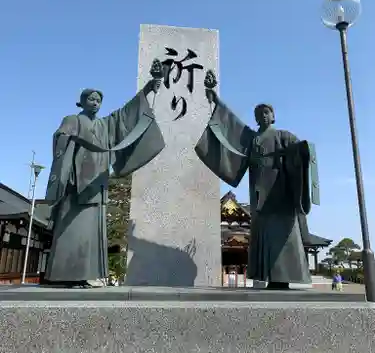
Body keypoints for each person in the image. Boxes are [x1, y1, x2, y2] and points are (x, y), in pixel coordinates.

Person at [44, 78, 165, 288]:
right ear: (81, 102)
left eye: (98, 99)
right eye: (90, 98)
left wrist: (145, 92)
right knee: (73, 228)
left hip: (97, 183)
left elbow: (125, 115)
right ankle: (63, 275)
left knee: (90, 232)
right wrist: (68, 165)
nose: (95, 102)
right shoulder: (73, 120)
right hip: (77, 183)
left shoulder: (104, 125)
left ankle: (84, 275)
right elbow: (60, 139)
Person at [195, 90, 320, 290]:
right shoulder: (252, 139)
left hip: (280, 193)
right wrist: (216, 100)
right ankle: (267, 276)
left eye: (266, 113)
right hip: (259, 193)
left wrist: (297, 153)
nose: (262, 116)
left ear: (272, 116)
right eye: (258, 114)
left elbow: (302, 152)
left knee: (282, 234)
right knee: (262, 233)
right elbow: (232, 126)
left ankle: (283, 278)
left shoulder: (283, 136)